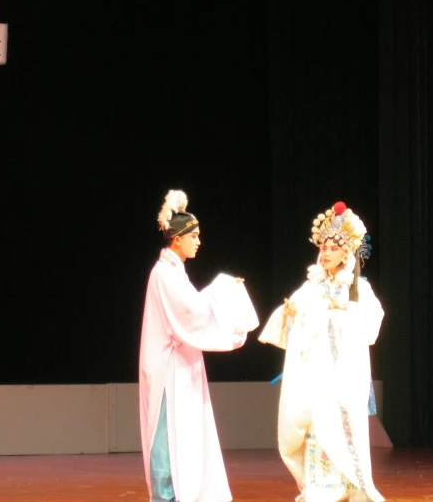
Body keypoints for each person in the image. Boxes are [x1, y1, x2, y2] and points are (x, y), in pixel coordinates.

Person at [259, 201, 385, 502]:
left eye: (333, 247)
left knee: (344, 426)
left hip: (344, 374)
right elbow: (297, 323)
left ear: (346, 252)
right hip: (318, 375)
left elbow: (371, 324)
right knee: (318, 426)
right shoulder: (312, 286)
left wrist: (343, 311)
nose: (326, 252)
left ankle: (351, 485)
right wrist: (291, 315)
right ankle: (321, 487)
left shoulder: (357, 288)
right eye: (323, 246)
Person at [139, 189, 259, 502]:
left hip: (179, 364)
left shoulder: (174, 272)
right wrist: (223, 291)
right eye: (194, 236)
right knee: (166, 437)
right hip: (167, 370)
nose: (198, 241)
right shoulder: (164, 273)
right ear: (177, 238)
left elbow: (192, 308)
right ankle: (166, 496)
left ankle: (180, 493)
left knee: (184, 434)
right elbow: (191, 312)